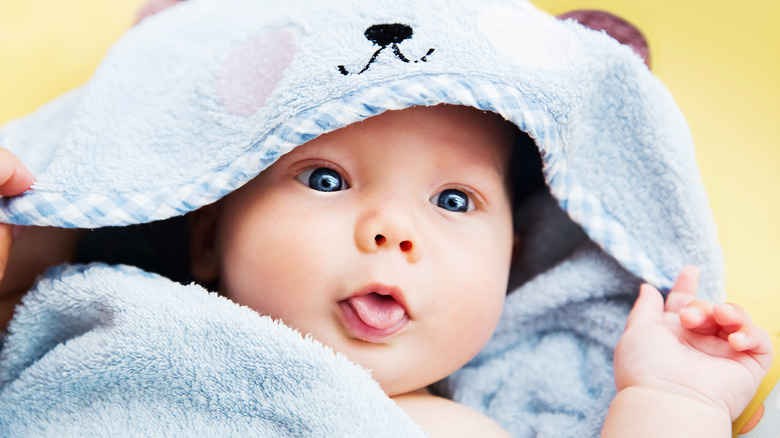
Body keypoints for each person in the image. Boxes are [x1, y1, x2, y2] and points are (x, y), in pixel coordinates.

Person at [0, 0, 771, 436]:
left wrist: (675, 401)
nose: (391, 232)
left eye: (453, 201)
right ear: (207, 237)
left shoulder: (474, 429)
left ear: (518, 258)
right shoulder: (117, 322)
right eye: (326, 178)